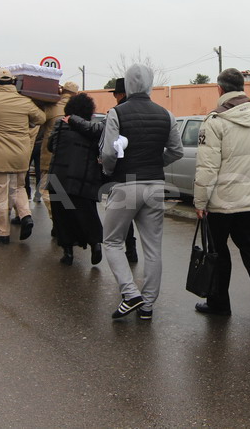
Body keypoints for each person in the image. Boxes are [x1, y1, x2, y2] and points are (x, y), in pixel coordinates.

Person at [192, 68, 250, 324]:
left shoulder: (215, 121)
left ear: (219, 89)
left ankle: (219, 303)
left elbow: (207, 167)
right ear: (242, 87)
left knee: (218, 252)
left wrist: (200, 201)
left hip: (223, 204)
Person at [100, 64, 183, 321]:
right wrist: (158, 163)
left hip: (126, 184)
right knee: (153, 248)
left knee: (112, 241)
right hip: (155, 185)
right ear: (150, 84)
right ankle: (147, 305)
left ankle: (130, 292)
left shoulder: (117, 113)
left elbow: (109, 152)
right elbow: (177, 150)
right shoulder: (166, 114)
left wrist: (109, 171)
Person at [0, 68, 45, 244]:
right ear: (13, 82)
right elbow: (41, 118)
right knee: (19, 187)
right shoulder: (25, 102)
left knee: (0, 194)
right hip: (20, 154)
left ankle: (3, 233)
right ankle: (25, 215)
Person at [48, 93, 104, 266]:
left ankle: (68, 253)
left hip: (60, 177)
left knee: (62, 216)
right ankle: (95, 244)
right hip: (86, 177)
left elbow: (52, 147)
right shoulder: (94, 129)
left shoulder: (61, 124)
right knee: (87, 213)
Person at [38, 81, 80, 233]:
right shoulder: (80, 109)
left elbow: (39, 128)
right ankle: (70, 221)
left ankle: (58, 220)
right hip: (74, 156)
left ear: (62, 91)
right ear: (75, 94)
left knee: (46, 190)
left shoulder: (51, 107)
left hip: (50, 156)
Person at [110, 77, 139, 263]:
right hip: (145, 171)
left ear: (120, 94)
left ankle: (129, 248)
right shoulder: (143, 110)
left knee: (123, 214)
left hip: (124, 170)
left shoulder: (117, 113)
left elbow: (109, 146)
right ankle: (133, 249)